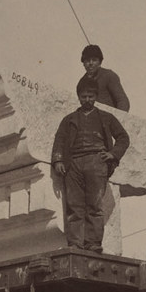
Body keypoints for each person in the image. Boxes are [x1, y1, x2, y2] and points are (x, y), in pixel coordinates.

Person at [51, 79, 130, 253]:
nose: (87, 100)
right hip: (74, 164)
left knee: (94, 205)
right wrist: (58, 160)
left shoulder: (106, 117)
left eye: (91, 96)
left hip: (96, 162)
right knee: (74, 206)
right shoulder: (69, 119)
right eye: (84, 96)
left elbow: (123, 138)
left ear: (96, 97)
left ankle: (93, 243)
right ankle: (75, 244)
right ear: (79, 97)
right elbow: (59, 140)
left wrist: (113, 154)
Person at [76, 44, 130, 112]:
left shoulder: (108, 76)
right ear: (83, 63)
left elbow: (123, 101)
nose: (91, 63)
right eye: (87, 60)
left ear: (100, 62)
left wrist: (117, 118)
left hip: (109, 116)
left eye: (94, 60)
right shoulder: (82, 82)